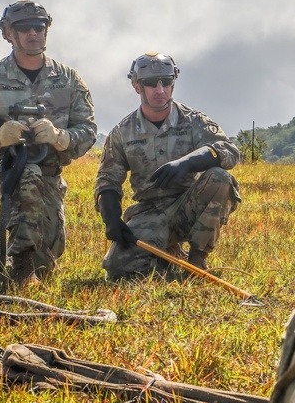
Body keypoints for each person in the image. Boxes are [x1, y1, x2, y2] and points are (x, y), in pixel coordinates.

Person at [0, 0, 97, 285]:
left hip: (50, 172)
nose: (33, 33)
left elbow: (89, 130)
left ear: (47, 30)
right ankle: (21, 270)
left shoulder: (69, 80)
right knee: (27, 175)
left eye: (39, 26)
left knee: (47, 260)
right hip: (4, 166)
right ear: (8, 33)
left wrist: (61, 137)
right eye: (23, 28)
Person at [94, 52, 241, 280]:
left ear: (174, 82)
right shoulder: (122, 132)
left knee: (220, 178)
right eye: (151, 84)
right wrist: (112, 219)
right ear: (136, 86)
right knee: (118, 271)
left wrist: (187, 163)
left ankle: (197, 259)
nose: (160, 90)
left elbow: (229, 151)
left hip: (188, 205)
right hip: (148, 212)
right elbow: (107, 180)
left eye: (166, 82)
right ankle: (168, 256)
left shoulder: (193, 121)